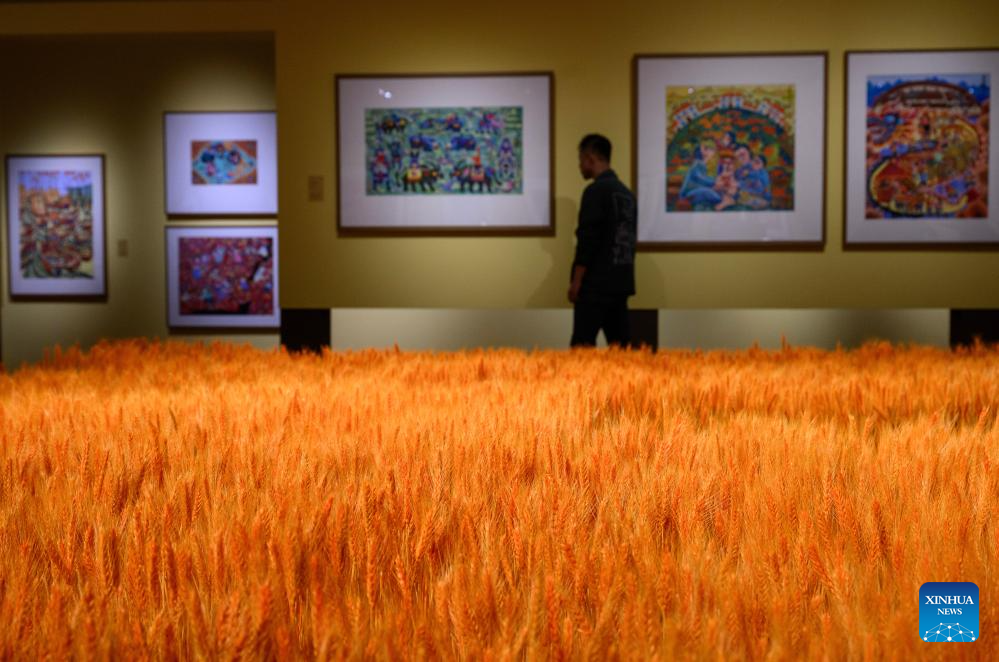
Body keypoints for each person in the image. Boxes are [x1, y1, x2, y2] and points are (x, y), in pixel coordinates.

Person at [569, 134, 637, 347]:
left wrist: (577, 281)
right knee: (621, 352)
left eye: (581, 159)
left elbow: (587, 239)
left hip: (595, 285)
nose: (580, 165)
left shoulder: (595, 191)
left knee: (582, 350)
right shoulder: (626, 194)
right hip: (621, 283)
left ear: (590, 158)